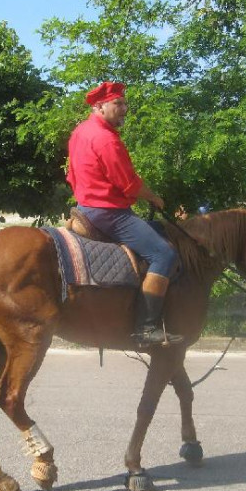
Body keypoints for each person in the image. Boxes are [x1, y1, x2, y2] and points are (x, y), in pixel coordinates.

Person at [66, 81, 183, 347]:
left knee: (158, 232)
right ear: (99, 106)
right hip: (110, 213)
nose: (124, 109)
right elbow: (128, 183)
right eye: (118, 104)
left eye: (124, 103)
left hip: (85, 208)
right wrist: (153, 197)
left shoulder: (80, 132)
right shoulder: (106, 139)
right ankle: (146, 329)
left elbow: (71, 175)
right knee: (164, 253)